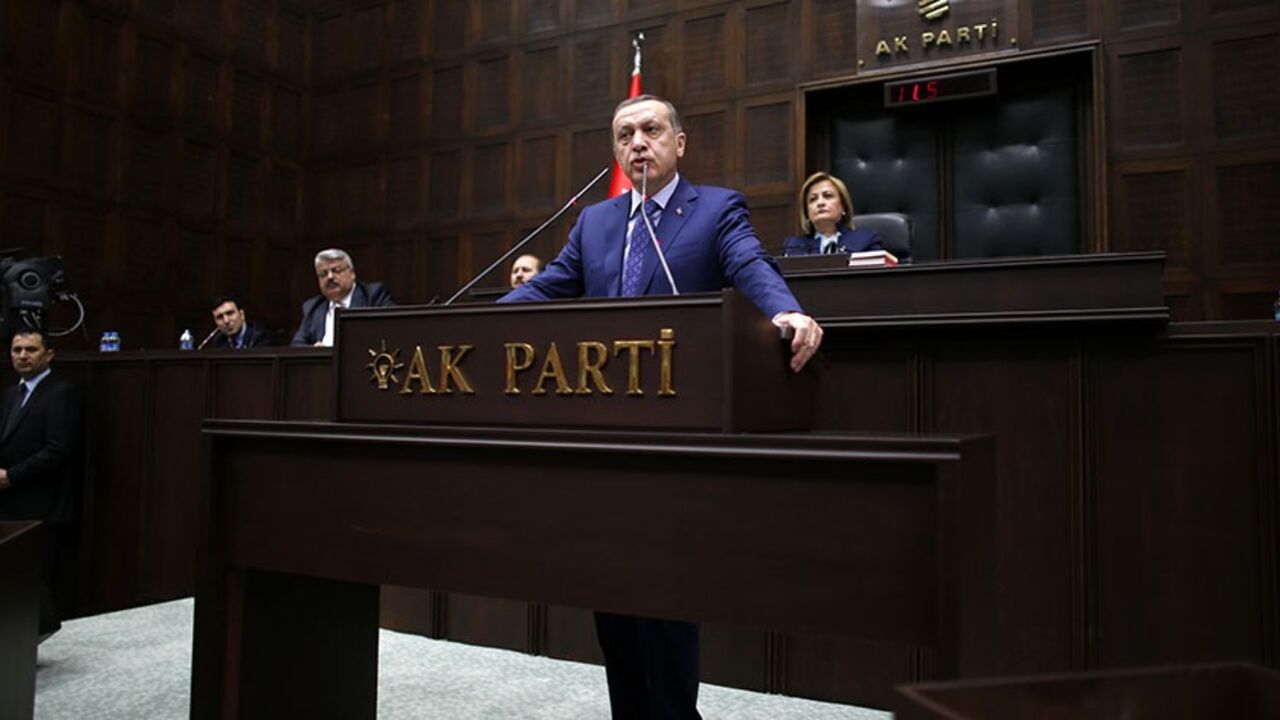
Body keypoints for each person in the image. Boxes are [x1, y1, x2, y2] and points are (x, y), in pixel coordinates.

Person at [501, 94, 822, 719]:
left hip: (675, 436)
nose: (638, 142)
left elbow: (749, 264)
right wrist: (480, 326)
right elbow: (547, 286)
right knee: (613, 602)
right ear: (616, 152)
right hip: (602, 436)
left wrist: (785, 308)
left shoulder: (716, 209)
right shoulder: (595, 222)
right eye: (625, 134)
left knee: (664, 601)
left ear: (680, 143)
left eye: (651, 130)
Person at [0, 328, 81, 642]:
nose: (22, 356)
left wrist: (12, 476)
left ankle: (26, 649)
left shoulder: (61, 394)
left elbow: (59, 450)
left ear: (49, 354)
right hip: (8, 505)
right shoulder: (9, 395)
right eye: (17, 349)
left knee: (34, 585)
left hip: (41, 506)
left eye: (30, 350)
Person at [291, 248, 395, 347]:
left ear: (352, 273)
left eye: (336, 270)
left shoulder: (373, 296)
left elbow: (393, 329)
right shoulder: (313, 307)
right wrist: (314, 350)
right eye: (323, 274)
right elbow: (297, 345)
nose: (330, 277)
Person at [781, 171, 882, 256]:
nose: (820, 203)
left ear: (843, 206)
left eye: (828, 196)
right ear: (807, 213)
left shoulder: (866, 240)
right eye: (813, 199)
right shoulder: (793, 246)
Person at [208, 295, 275, 349]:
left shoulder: (260, 337)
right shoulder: (218, 341)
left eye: (230, 313)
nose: (226, 321)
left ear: (242, 315)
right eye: (220, 317)